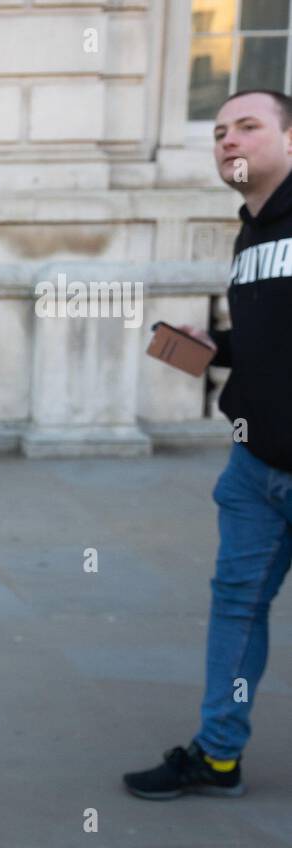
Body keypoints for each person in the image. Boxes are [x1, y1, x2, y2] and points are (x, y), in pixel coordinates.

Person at [124, 89, 292, 800]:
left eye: (248, 127)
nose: (228, 141)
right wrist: (208, 348)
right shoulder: (249, 232)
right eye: (220, 131)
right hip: (254, 468)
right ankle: (219, 754)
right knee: (236, 606)